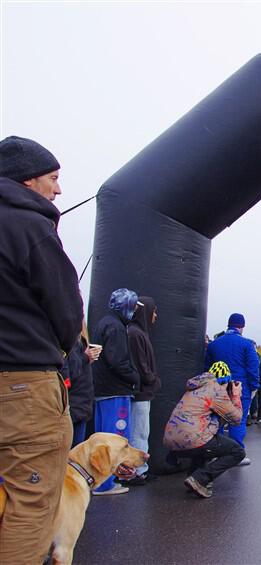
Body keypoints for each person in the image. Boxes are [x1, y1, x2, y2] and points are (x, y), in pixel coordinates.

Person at [0, 136, 85, 563]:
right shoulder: (30, 226)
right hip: (24, 387)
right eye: (53, 178)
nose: (58, 189)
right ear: (28, 180)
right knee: (30, 502)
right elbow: (67, 312)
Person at [164, 361, 246, 499]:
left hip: (172, 442)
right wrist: (236, 395)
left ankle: (192, 477)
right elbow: (236, 419)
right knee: (237, 452)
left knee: (206, 441)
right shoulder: (216, 390)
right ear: (225, 380)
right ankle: (200, 479)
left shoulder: (195, 387)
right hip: (191, 439)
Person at [91, 288, 143, 495]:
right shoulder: (116, 327)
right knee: (116, 438)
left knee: (102, 437)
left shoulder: (104, 323)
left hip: (102, 389)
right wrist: (134, 377)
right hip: (115, 390)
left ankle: (99, 480)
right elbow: (117, 361)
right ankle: (106, 483)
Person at [205, 313, 260, 463]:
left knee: (217, 420)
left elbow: (207, 368)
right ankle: (236, 454)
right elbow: (253, 368)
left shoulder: (214, 344)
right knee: (238, 420)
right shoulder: (247, 344)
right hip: (240, 388)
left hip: (217, 388)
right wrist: (254, 386)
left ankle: (217, 452)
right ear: (242, 326)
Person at [125, 296, 161, 485]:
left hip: (141, 391)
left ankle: (139, 469)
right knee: (138, 432)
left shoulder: (136, 333)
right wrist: (152, 380)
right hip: (139, 392)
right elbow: (140, 364)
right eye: (154, 311)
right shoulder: (135, 334)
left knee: (140, 432)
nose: (155, 316)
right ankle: (136, 470)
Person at [63, 319, 99, 447]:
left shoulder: (80, 343)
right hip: (74, 407)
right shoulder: (70, 343)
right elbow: (70, 373)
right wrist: (85, 358)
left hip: (81, 406)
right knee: (72, 453)